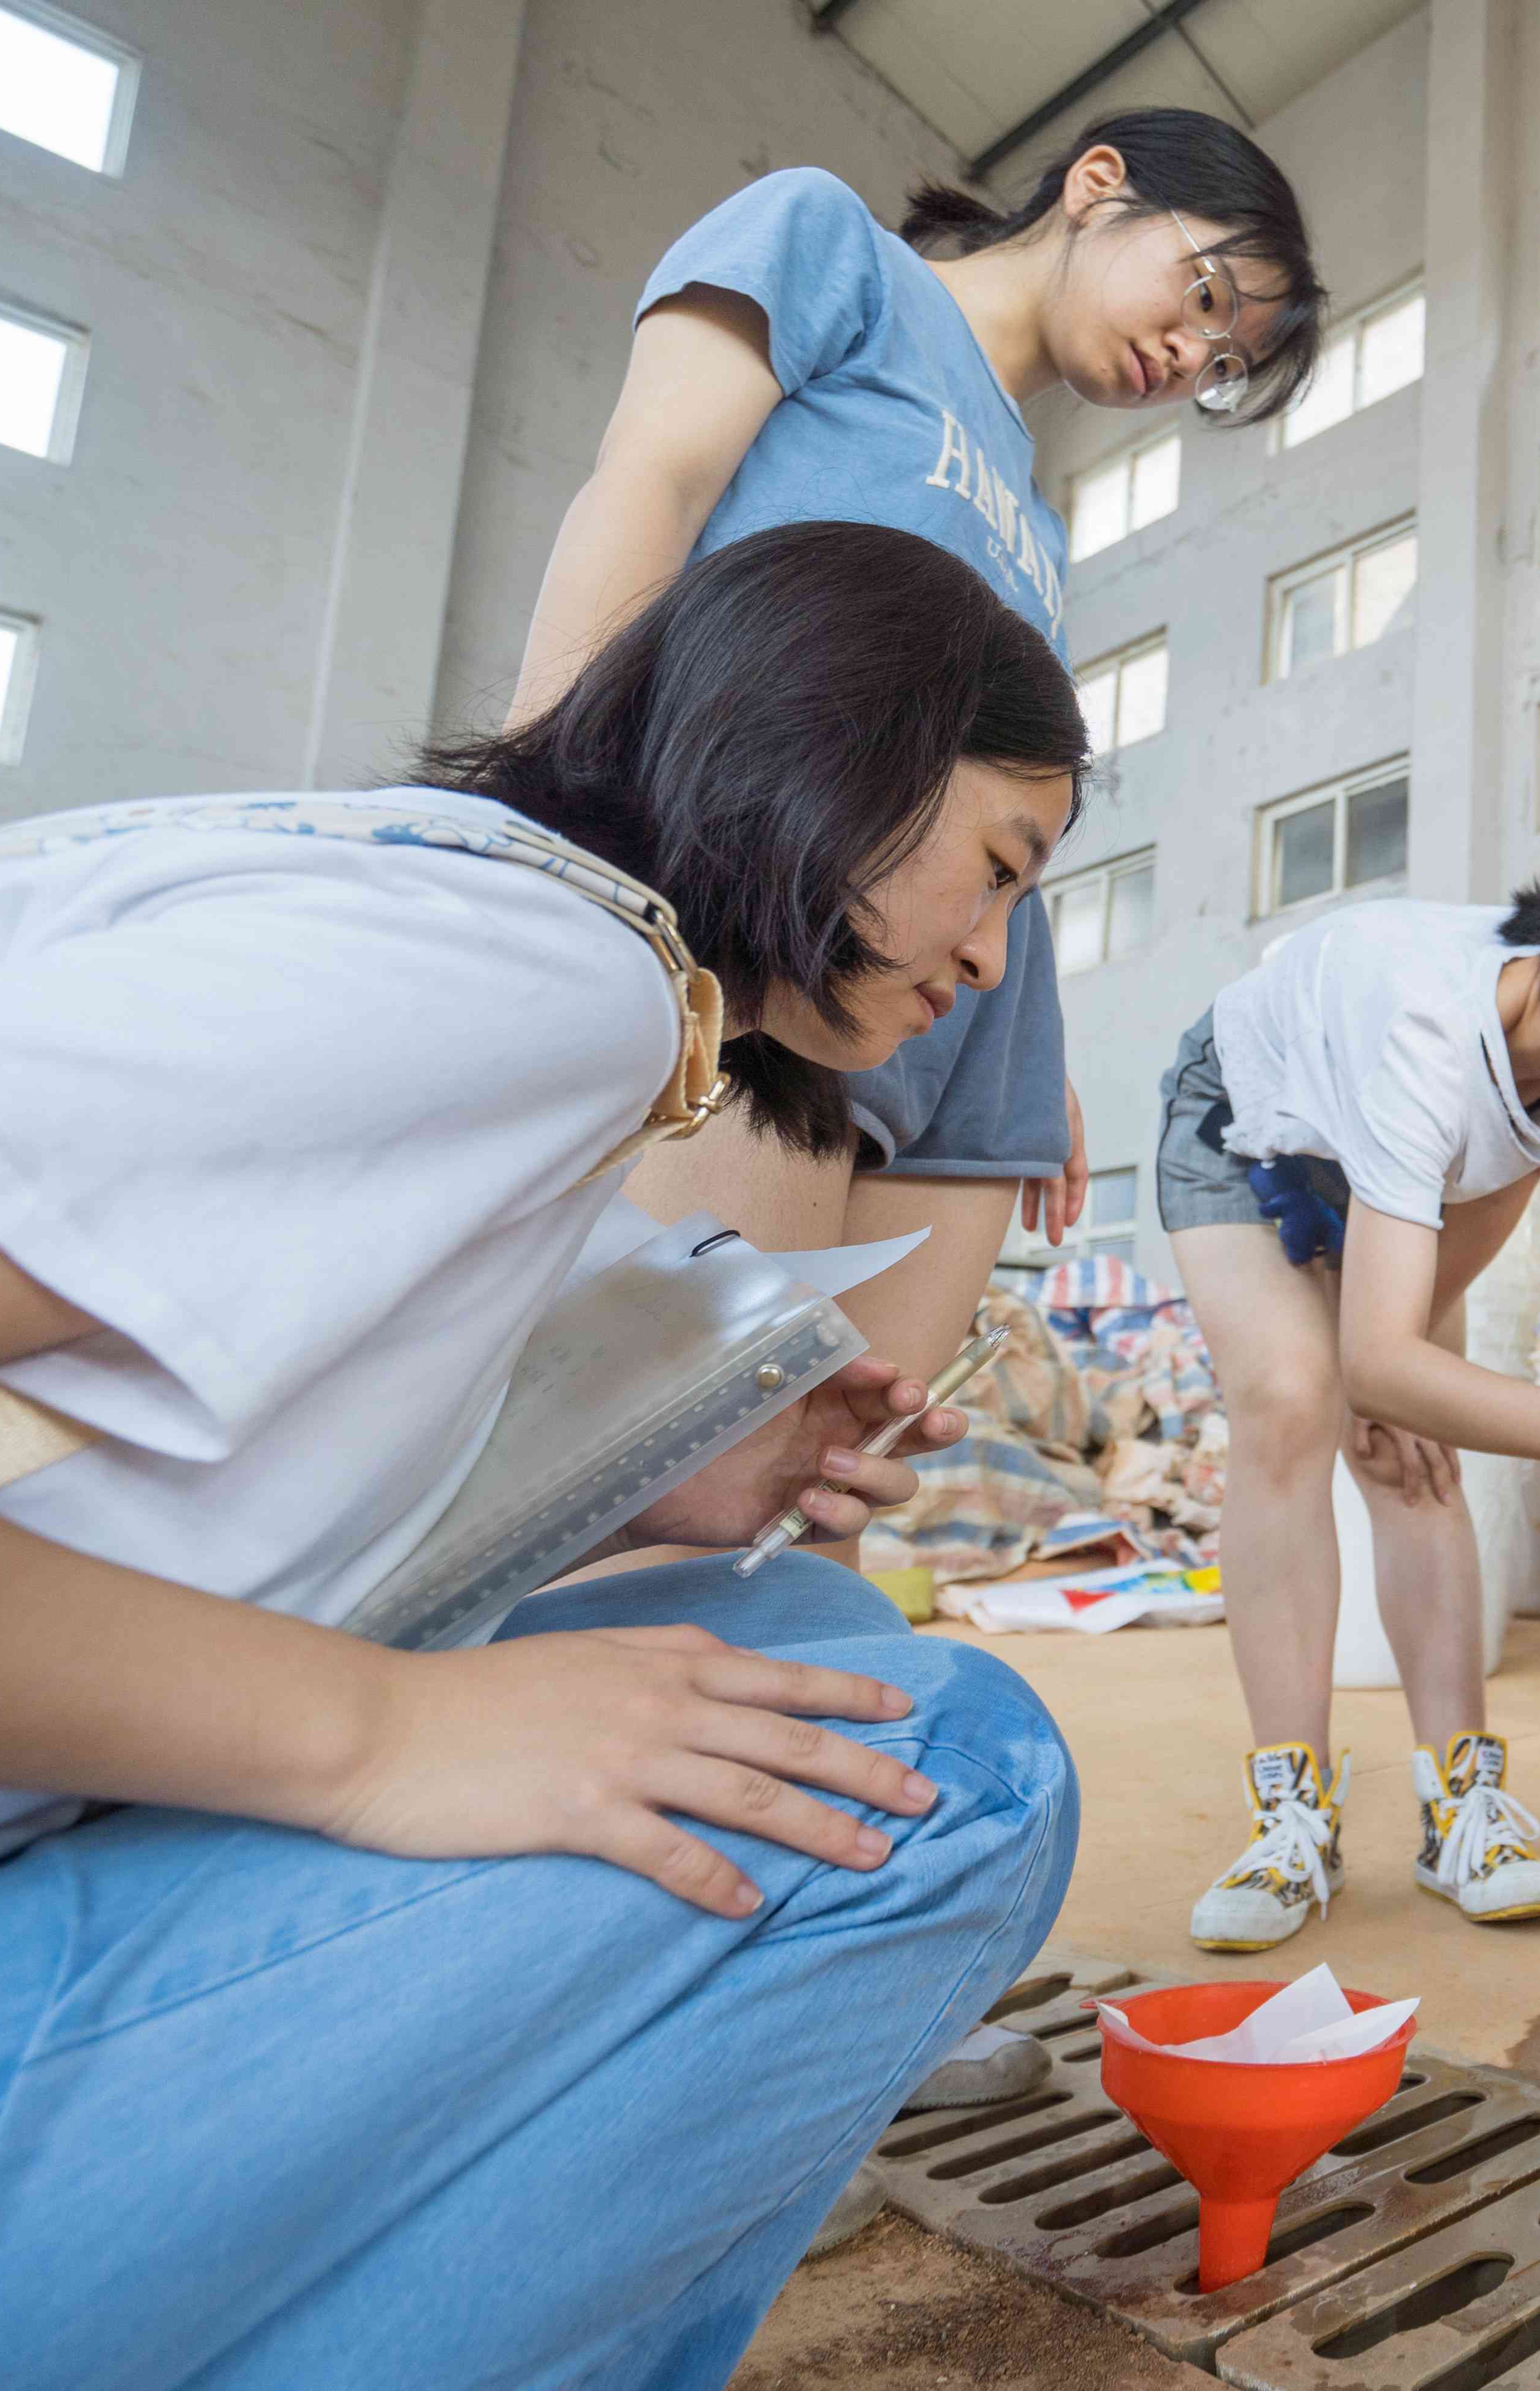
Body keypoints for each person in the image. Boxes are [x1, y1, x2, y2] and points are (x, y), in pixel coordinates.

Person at [0, 522, 1089, 2389]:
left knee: (794, 1644)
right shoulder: (544, 973)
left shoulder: (425, 891)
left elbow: (140, 1446)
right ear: (840, 737)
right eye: (1000, 864)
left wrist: (641, 1467)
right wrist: (379, 1735)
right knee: (944, 1764)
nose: (994, 956)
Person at [515, 109, 1326, 1414]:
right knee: (669, 1444)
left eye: (1221, 362)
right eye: (1205, 293)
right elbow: (649, 481)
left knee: (838, 1475)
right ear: (1097, 183)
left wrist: (1033, 1047)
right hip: (768, 939)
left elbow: (1010, 791)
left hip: (966, 1021)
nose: (1188, 356)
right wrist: (554, 815)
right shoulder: (831, 251)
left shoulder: (1041, 527)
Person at [1157, 836, 1540, 1951]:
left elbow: (1492, 1177)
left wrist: (1396, 1378)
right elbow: (1378, 1349)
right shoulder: (1422, 1030)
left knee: (1413, 1443)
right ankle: (1290, 1817)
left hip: (1396, 1166)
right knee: (1294, 1400)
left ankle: (1462, 1808)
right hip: (1248, 1127)